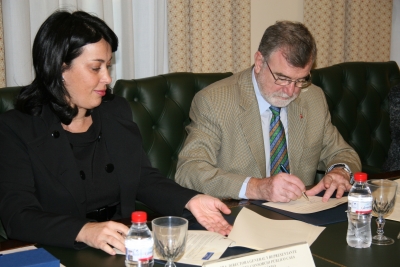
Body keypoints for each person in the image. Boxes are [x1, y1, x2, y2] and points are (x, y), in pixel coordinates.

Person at [0, 10, 232, 256]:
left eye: (108, 66)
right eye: (95, 68)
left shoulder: (115, 111)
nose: (107, 78)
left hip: (123, 248)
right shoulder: (16, 129)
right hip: (60, 250)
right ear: (59, 68)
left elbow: (143, 178)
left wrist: (190, 200)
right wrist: (84, 230)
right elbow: (19, 216)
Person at [175, 21, 361, 203]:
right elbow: (189, 170)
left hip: (301, 217)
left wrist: (340, 171)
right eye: (282, 78)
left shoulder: (313, 98)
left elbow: (342, 153)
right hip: (240, 217)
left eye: (300, 80)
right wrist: (257, 187)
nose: (291, 91)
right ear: (259, 62)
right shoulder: (215, 102)